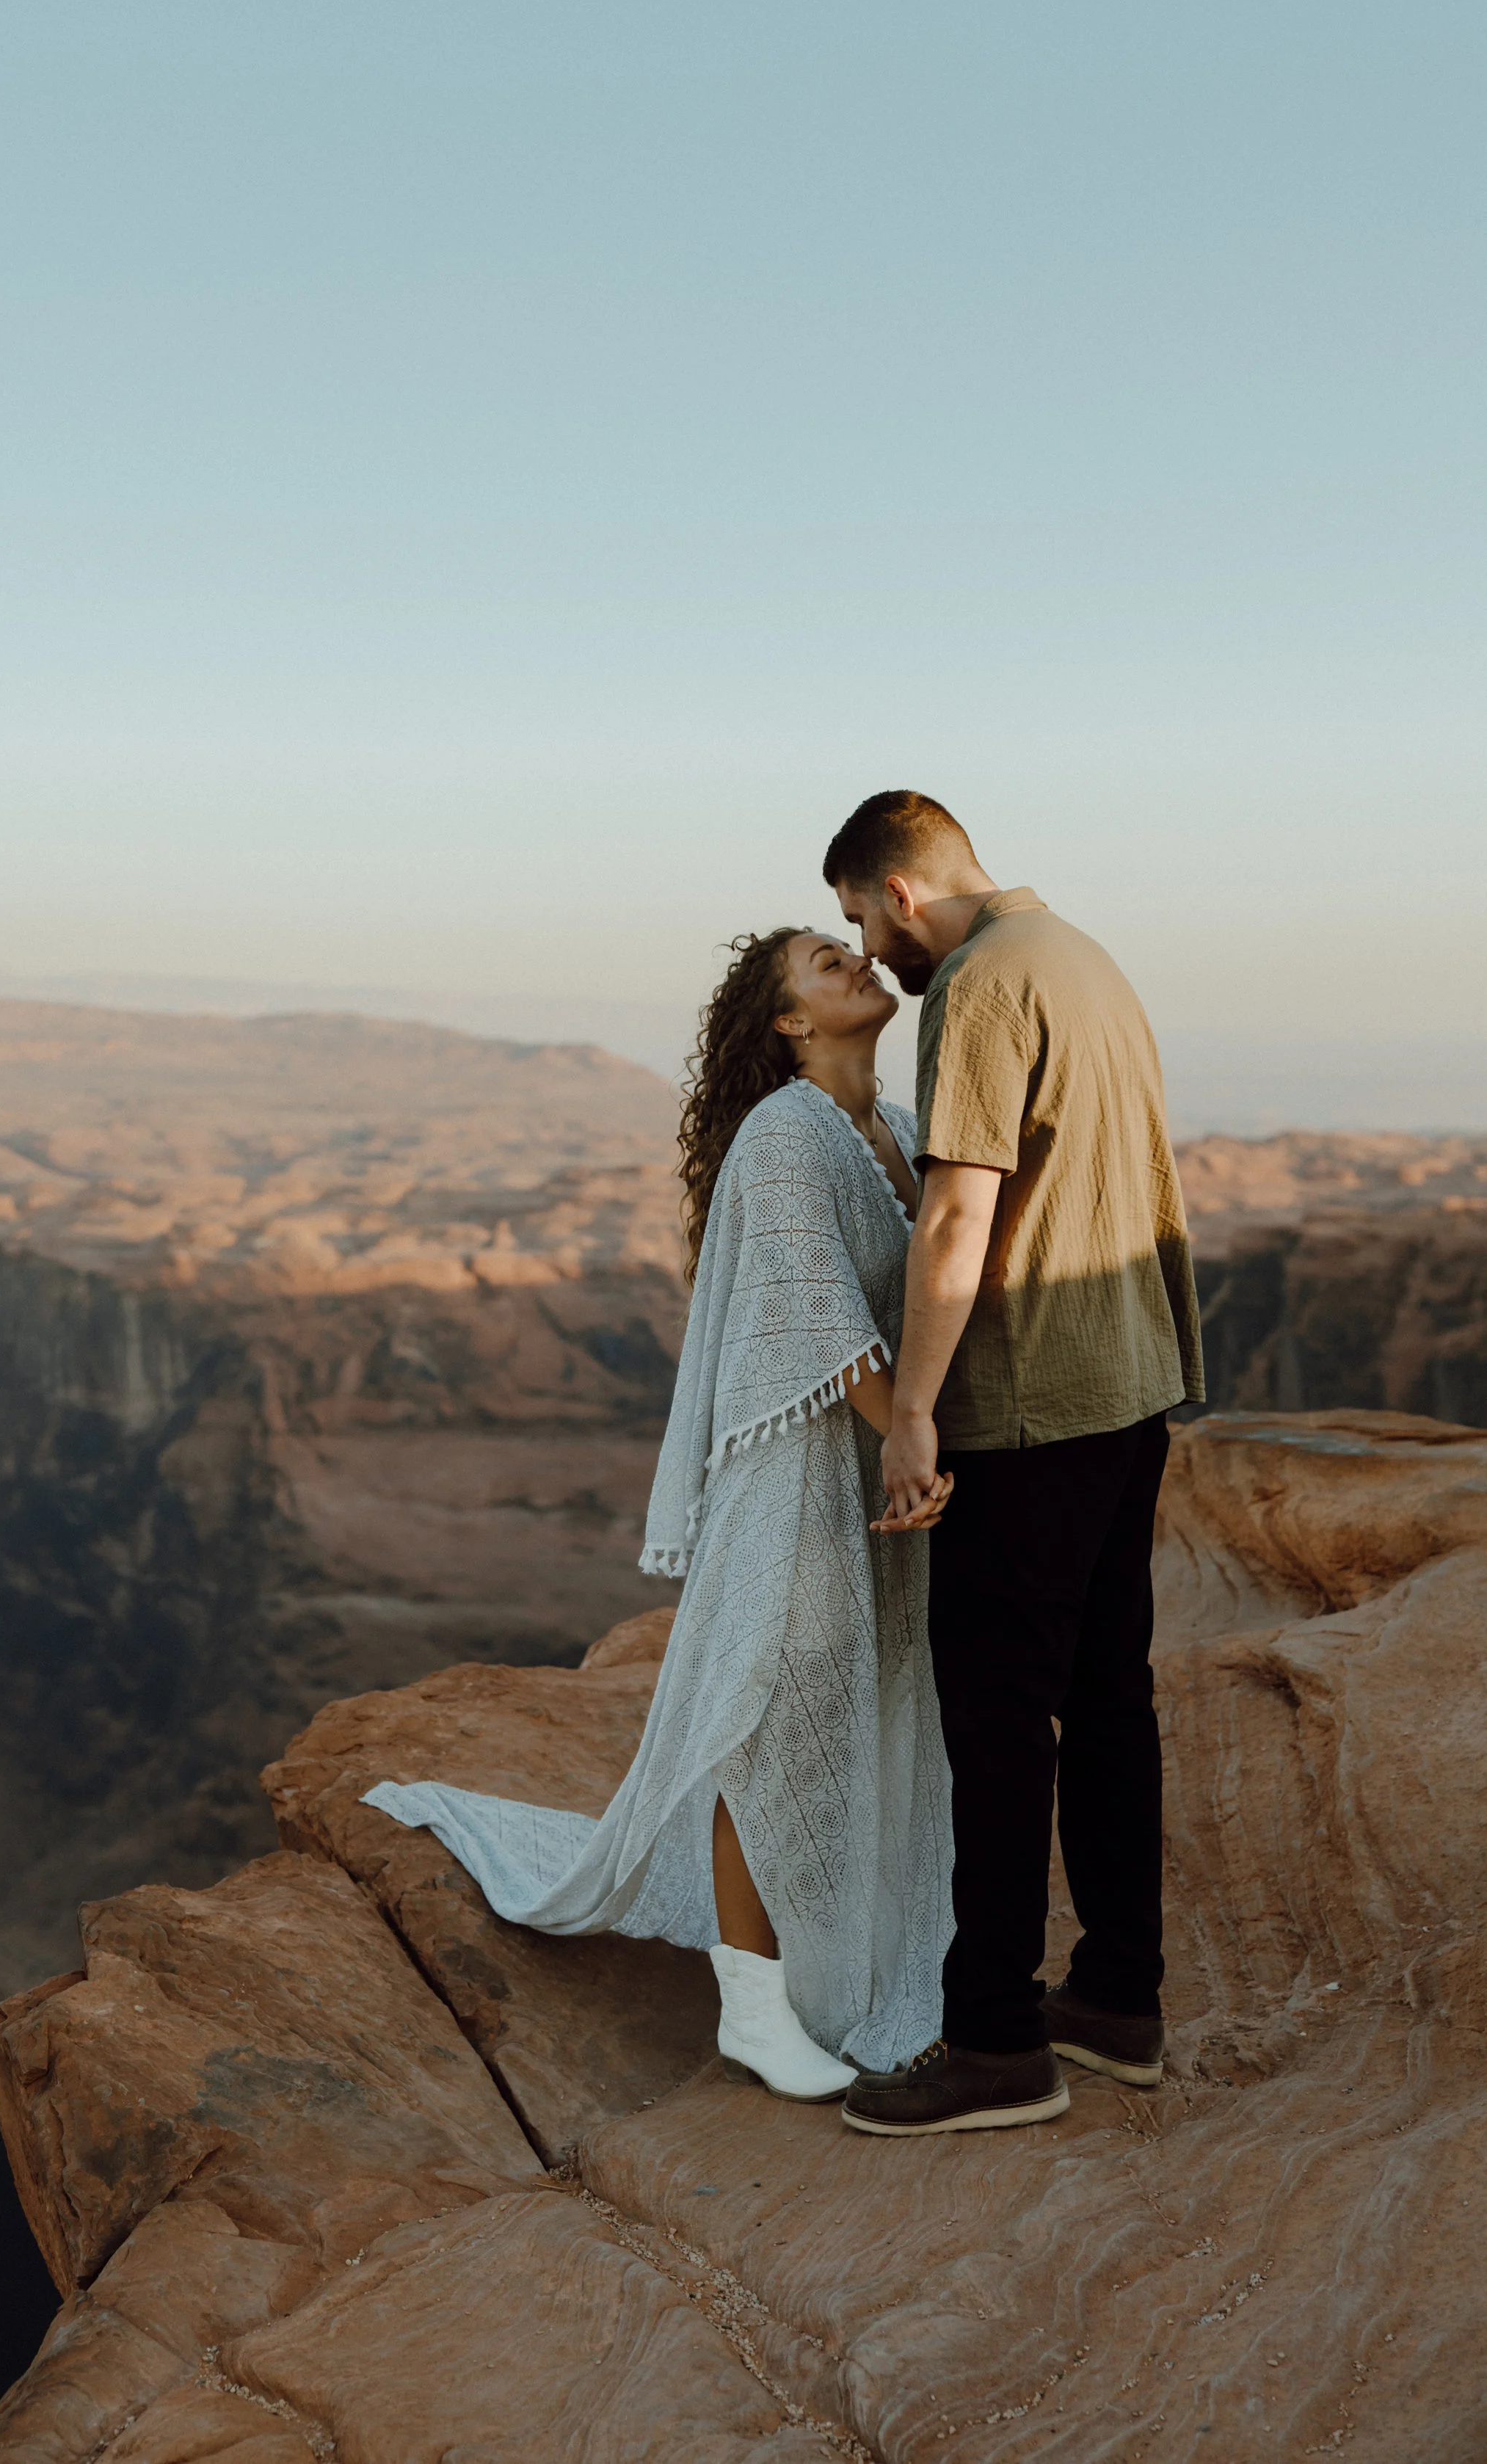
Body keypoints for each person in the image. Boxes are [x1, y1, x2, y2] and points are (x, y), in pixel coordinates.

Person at [363, 928, 955, 2096]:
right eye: (824, 966)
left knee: (860, 1709)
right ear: (788, 1024)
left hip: (861, 1477)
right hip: (794, 1485)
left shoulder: (891, 1130)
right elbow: (823, 1331)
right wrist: (918, 1443)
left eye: (851, 951)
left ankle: (861, 1959)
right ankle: (753, 2004)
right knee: (764, 1718)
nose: (856, 966)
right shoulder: (787, 1132)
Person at [824, 788, 1204, 2138]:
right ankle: (1115, 2000)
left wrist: (914, 1407)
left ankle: (993, 2042)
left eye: (862, 917)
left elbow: (957, 1213)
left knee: (995, 1722)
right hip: (1128, 1386)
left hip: (1032, 1404)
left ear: (903, 889)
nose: (870, 951)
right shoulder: (1082, 958)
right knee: (1108, 1701)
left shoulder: (977, 986)